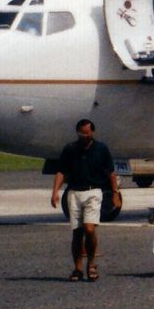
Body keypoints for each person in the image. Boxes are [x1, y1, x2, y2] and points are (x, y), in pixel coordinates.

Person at [50, 118, 119, 282]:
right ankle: (78, 268)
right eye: (81, 133)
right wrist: (55, 192)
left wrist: (115, 193)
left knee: (89, 229)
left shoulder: (101, 149)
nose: (84, 136)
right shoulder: (70, 149)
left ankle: (92, 263)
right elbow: (61, 172)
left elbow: (111, 172)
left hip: (93, 191)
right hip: (74, 192)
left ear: (92, 132)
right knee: (77, 232)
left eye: (87, 133)